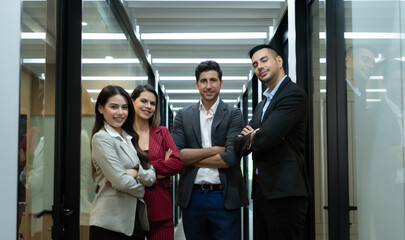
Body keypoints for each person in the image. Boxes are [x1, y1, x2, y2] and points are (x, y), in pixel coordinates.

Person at [235, 44, 310, 239]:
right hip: (262, 192)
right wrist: (255, 135)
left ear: (279, 61)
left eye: (264, 60)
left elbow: (266, 138)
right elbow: (239, 145)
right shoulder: (262, 104)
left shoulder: (292, 94)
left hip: (286, 192)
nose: (259, 66)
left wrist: (254, 135)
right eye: (254, 64)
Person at [171, 60, 248, 240]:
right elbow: (177, 155)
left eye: (213, 80)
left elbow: (230, 158)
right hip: (193, 196)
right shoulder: (183, 115)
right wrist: (213, 150)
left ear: (221, 83)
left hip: (224, 195)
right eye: (203, 81)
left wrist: (191, 157)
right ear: (197, 84)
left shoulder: (234, 114)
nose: (208, 86)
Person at [89, 85, 156, 240]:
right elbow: (121, 182)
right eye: (114, 107)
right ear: (100, 108)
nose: (120, 113)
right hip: (109, 224)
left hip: (131, 223)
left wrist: (136, 172)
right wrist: (142, 190)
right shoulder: (102, 138)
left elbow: (151, 173)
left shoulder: (129, 137)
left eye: (124, 107)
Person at [130, 84, 183, 240]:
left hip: (160, 210)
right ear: (132, 102)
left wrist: (138, 172)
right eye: (143, 101)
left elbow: (177, 164)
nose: (148, 106)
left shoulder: (162, 132)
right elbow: (119, 171)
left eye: (152, 103)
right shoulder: (123, 134)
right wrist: (161, 165)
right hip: (131, 209)